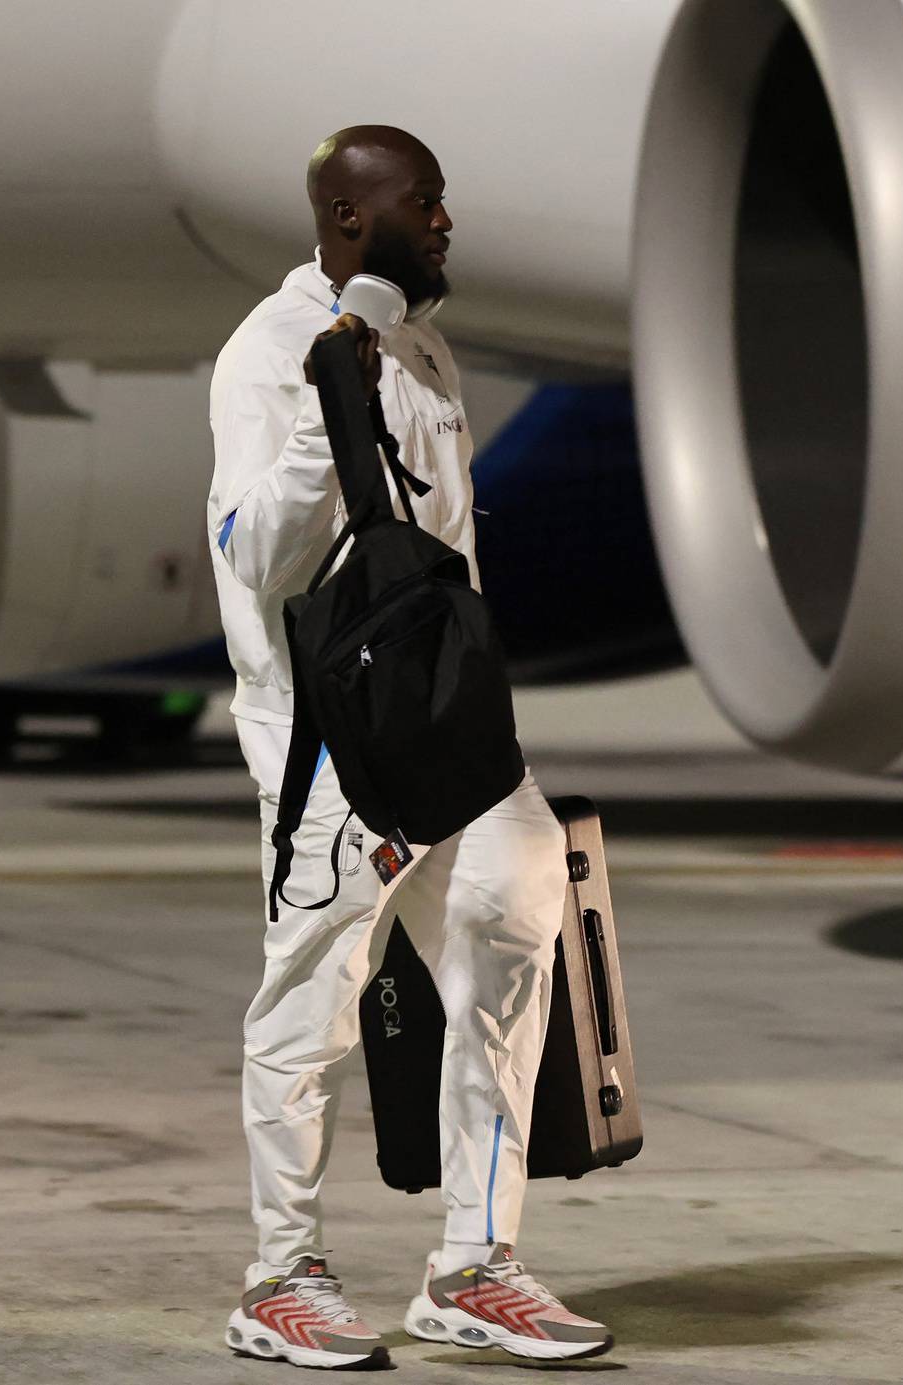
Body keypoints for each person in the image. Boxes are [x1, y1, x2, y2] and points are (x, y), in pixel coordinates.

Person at [205, 125, 614, 1367]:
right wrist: (330, 412)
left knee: (514, 929)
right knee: (313, 1002)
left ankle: (474, 1263)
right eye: (423, 203)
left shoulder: (423, 345)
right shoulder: (271, 355)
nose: (444, 222)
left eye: (442, 200)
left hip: (452, 726)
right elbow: (256, 556)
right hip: (332, 743)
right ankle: (281, 1276)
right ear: (346, 219)